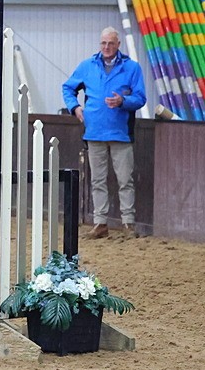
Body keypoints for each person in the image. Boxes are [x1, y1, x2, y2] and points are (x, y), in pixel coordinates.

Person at [61, 27, 147, 239]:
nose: (107, 47)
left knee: (125, 179)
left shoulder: (132, 68)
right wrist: (75, 108)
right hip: (94, 133)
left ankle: (128, 223)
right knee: (97, 180)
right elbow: (68, 88)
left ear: (118, 45)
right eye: (103, 43)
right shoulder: (87, 66)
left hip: (121, 133)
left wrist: (123, 101)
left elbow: (141, 97)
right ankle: (100, 222)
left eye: (111, 43)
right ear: (99, 44)